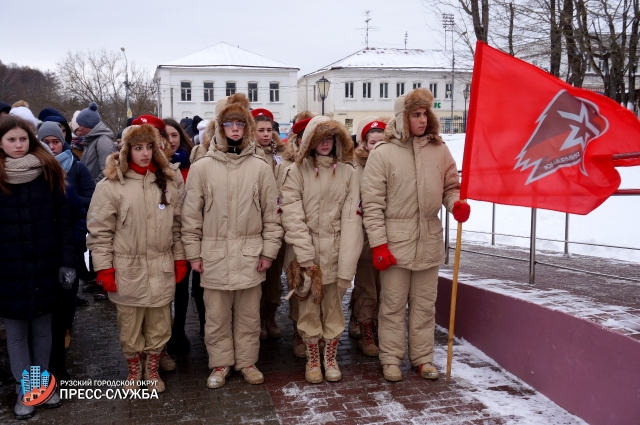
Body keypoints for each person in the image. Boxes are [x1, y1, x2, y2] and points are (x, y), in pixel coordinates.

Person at [361, 88, 471, 382]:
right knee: (393, 306)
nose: (423, 119)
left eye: (426, 113)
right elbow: (372, 206)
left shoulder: (439, 149)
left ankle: (423, 359)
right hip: (395, 244)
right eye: (416, 114)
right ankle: (391, 359)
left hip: (429, 241)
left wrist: (455, 204)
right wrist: (379, 244)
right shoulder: (383, 154)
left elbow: (451, 186)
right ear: (402, 118)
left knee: (424, 306)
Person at [181, 93, 283, 389]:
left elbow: (272, 216)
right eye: (229, 124)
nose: (235, 129)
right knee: (216, 317)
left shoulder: (261, 168)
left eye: (240, 124)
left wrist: (269, 251)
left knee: (250, 316)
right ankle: (220, 363)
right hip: (213, 256)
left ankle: (247, 362)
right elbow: (191, 216)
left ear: (247, 127)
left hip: (251, 256)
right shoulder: (201, 167)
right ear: (220, 128)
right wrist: (193, 253)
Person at [86, 123, 187, 393]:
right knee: (130, 324)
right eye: (138, 148)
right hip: (127, 269)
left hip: (161, 267)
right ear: (126, 150)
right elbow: (99, 232)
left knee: (160, 323)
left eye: (149, 147)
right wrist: (104, 268)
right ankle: (134, 368)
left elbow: (177, 226)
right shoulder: (111, 187)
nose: (144, 153)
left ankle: (152, 367)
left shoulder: (166, 181)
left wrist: (179, 258)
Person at [0, 116, 75, 419]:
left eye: (23, 139)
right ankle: (25, 389)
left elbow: (64, 222)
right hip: (8, 270)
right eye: (11, 140)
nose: (18, 145)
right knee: (17, 333)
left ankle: (40, 386)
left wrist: (68, 262)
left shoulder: (49, 171)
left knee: (43, 331)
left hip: (45, 264)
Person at [280, 115, 363, 384]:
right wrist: (305, 257)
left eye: (331, 138)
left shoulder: (350, 173)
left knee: (333, 307)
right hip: (306, 253)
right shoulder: (296, 171)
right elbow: (292, 216)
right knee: (307, 309)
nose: (325, 143)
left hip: (337, 252)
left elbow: (352, 219)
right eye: (320, 138)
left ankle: (330, 357)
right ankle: (312, 357)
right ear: (309, 141)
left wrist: (347, 264)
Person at [38, 122, 94, 366]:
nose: (51, 147)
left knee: (68, 295)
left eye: (56, 142)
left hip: (70, 246)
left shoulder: (77, 168)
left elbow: (89, 201)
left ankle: (65, 335)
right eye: (46, 142)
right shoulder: (31, 173)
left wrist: (66, 194)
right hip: (44, 251)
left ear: (64, 141)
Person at [161, 118, 201, 354]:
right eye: (165, 136)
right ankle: (163, 336)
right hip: (163, 237)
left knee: (182, 287)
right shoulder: (156, 167)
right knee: (166, 290)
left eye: (174, 135)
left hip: (188, 234)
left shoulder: (192, 164)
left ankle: (179, 330)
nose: (171, 141)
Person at [350, 117, 389, 357]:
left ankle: (373, 324)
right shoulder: (356, 169)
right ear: (364, 144)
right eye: (372, 142)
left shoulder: (390, 164)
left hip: (388, 237)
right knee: (367, 288)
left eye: (381, 142)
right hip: (364, 239)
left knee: (383, 288)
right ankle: (366, 330)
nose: (376, 147)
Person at [281, 111, 315, 358]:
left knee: (318, 290)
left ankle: (315, 335)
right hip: (293, 236)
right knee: (298, 287)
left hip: (323, 238)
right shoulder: (287, 165)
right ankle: (297, 330)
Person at [252, 108, 286, 340]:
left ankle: (270, 316)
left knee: (274, 276)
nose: (266, 134)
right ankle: (256, 318)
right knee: (257, 275)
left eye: (269, 130)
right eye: (260, 130)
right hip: (256, 223)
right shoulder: (249, 154)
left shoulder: (281, 154)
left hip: (278, 221)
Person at [76, 102, 117, 183]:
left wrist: (91, 187)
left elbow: (107, 171)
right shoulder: (90, 141)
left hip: (97, 191)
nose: (79, 128)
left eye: (81, 125)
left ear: (88, 125)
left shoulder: (103, 142)